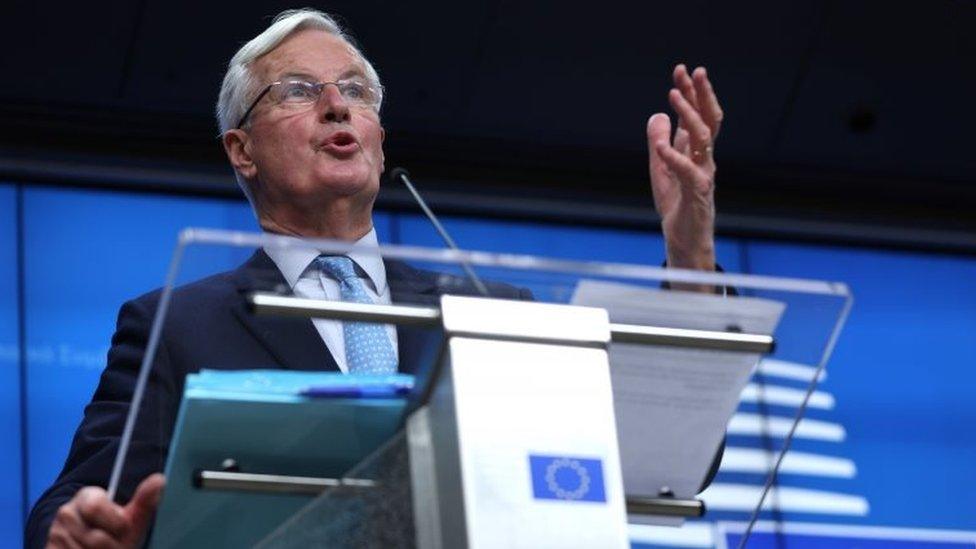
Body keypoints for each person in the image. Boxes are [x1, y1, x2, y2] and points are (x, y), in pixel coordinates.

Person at [28, 8, 725, 548]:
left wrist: (689, 250)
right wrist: (80, 531)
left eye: (357, 92)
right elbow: (75, 505)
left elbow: (657, 458)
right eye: (298, 90)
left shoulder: (492, 310)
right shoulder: (178, 324)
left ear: (379, 137)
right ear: (241, 150)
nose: (338, 105)